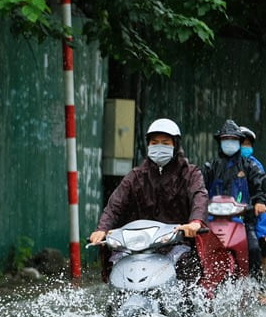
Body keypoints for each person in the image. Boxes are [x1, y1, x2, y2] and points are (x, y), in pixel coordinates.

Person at [88, 118, 208, 284]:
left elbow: (199, 196)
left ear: (176, 145)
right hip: (138, 244)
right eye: (154, 142)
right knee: (115, 268)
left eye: (165, 143)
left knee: (187, 271)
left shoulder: (190, 173)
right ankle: (114, 307)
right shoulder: (137, 175)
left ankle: (187, 308)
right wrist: (102, 228)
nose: (159, 147)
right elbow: (115, 204)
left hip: (176, 241)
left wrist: (195, 223)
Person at [200, 120, 266, 281]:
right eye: (225, 139)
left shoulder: (250, 166)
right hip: (212, 220)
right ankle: (198, 287)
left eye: (233, 139)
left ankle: (257, 286)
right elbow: (198, 189)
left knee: (253, 249)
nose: (229, 143)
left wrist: (260, 201)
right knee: (196, 251)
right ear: (220, 142)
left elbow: (260, 184)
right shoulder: (211, 166)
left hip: (243, 220)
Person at [238, 125, 266, 274]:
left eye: (248, 144)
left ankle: (259, 283)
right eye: (242, 144)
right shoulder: (219, 165)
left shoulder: (255, 167)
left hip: (250, 218)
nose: (245, 147)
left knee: (259, 247)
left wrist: (262, 232)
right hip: (226, 218)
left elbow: (264, 197)